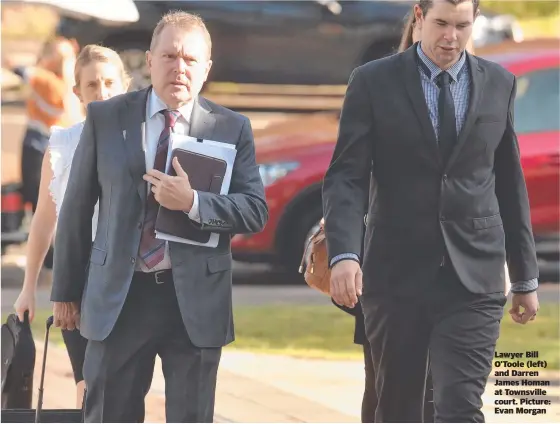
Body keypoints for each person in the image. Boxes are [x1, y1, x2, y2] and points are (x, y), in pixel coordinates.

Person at [322, 0, 539, 421]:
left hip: (475, 277)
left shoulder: (499, 83)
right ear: (419, 17)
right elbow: (346, 176)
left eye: (461, 26)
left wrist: (525, 274)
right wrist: (345, 254)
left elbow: (510, 184)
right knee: (400, 409)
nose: (450, 37)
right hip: (396, 276)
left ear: (474, 21)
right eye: (441, 23)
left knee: (460, 406)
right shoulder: (372, 82)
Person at [50, 11, 268, 423]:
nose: (178, 68)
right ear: (149, 61)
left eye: (190, 60)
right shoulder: (107, 118)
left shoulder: (231, 127)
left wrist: (193, 203)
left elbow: (254, 210)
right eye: (169, 56)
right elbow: (77, 208)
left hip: (194, 303)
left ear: (206, 69)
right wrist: (66, 291)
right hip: (120, 296)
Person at [13, 44, 132, 409]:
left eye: (110, 83)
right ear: (77, 91)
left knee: (126, 390)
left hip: (131, 280)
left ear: (125, 86)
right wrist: (28, 287)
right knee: (89, 386)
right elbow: (45, 222)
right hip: (78, 282)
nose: (103, 92)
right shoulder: (62, 145)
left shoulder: (141, 142)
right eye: (92, 85)